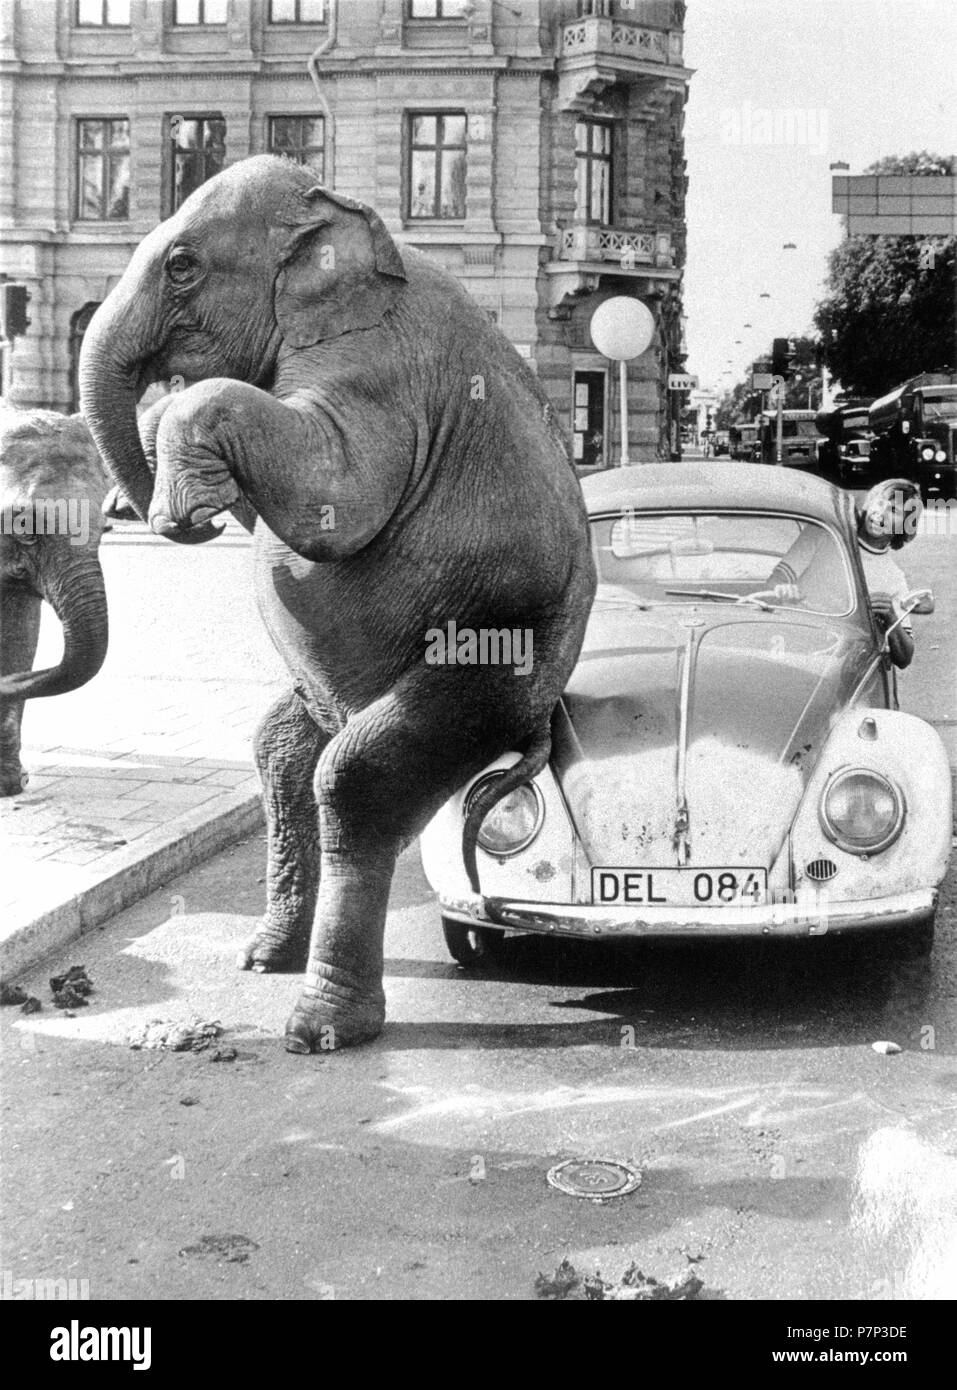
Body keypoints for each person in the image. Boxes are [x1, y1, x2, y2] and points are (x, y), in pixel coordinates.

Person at [855, 478, 921, 670]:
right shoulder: (833, 536)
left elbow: (904, 658)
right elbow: (778, 581)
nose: (880, 513)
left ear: (905, 526)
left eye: (893, 511)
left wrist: (890, 616)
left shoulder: (893, 577)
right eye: (879, 502)